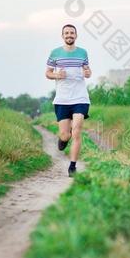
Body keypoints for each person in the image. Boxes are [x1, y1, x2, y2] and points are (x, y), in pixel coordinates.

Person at [45, 24, 92, 177]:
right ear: (62, 35)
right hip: (62, 99)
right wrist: (57, 75)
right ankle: (63, 139)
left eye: (72, 33)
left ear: (76, 35)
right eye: (66, 33)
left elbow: (88, 71)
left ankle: (72, 166)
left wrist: (87, 72)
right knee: (66, 134)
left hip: (80, 97)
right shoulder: (55, 53)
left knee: (77, 131)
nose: (69, 35)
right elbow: (48, 73)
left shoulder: (82, 52)